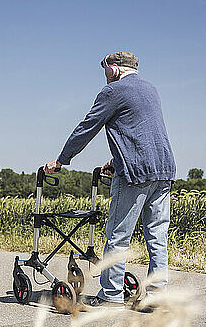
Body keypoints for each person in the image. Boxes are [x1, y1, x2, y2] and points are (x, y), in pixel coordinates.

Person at [44, 51, 176, 310]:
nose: (104, 74)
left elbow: (87, 127)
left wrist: (61, 160)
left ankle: (111, 295)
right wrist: (116, 162)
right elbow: (141, 132)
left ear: (115, 68)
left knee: (118, 236)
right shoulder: (150, 89)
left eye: (104, 68)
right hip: (163, 170)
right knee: (157, 236)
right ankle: (157, 296)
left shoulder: (113, 91)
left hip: (136, 174)